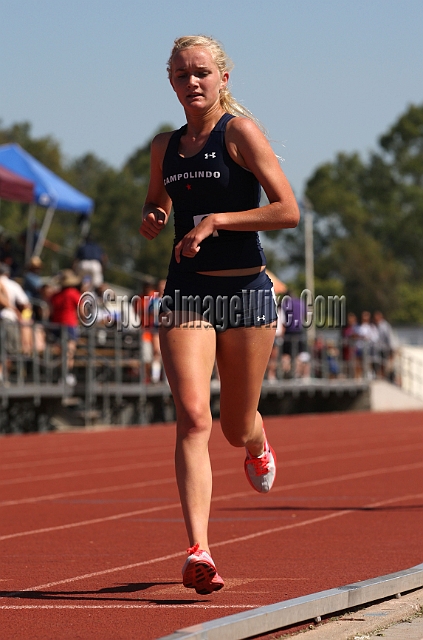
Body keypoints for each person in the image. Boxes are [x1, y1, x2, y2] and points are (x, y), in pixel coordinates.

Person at [139, 35, 299, 595]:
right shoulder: (165, 145)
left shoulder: (239, 134)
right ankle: (199, 551)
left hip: (247, 296)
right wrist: (156, 215)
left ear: (223, 79)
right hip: (185, 292)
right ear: (171, 82)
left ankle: (257, 442)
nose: (193, 82)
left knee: (233, 425)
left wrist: (216, 221)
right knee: (193, 417)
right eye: (182, 75)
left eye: (202, 72)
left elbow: (287, 211)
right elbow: (159, 200)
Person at [49, 269, 82, 386]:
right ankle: (66, 375)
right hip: (69, 325)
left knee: (60, 352)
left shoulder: (55, 295)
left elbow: (51, 310)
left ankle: (60, 376)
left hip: (55, 326)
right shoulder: (72, 293)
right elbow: (82, 309)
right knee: (69, 352)